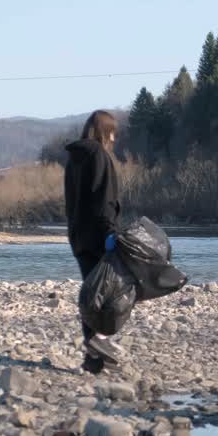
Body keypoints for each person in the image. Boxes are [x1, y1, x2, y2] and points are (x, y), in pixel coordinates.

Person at [64, 109, 125, 374]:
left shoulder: (74, 160)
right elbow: (104, 200)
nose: (114, 139)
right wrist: (111, 232)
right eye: (114, 134)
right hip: (100, 234)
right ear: (108, 132)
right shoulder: (99, 156)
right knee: (110, 293)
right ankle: (99, 342)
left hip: (78, 234)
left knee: (93, 291)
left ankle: (94, 359)